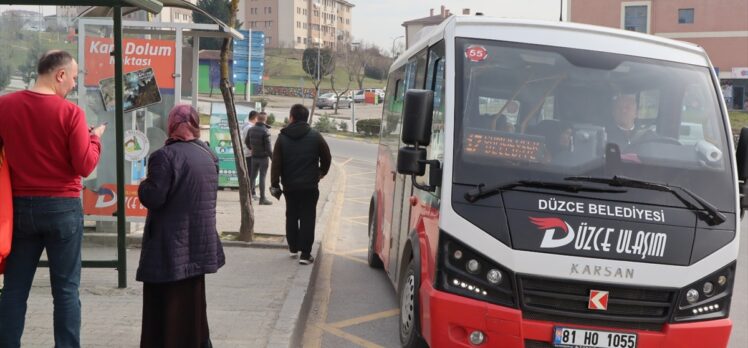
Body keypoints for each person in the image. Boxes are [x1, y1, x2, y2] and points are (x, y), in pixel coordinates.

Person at [0, 50, 104, 347]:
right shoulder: (71, 114)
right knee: (66, 291)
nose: (73, 84)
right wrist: (94, 137)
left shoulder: (5, 106)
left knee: (14, 289)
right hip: (62, 209)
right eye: (72, 77)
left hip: (19, 209)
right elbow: (85, 165)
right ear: (59, 75)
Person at [136, 104, 225, 348]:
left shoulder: (164, 156)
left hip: (169, 249)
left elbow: (154, 197)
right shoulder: (208, 155)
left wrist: (143, 185)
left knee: (165, 309)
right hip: (198, 245)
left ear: (172, 124)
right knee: (193, 308)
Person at [271, 104, 332, 264]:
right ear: (305, 118)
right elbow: (327, 157)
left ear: (291, 118)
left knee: (291, 215)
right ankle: (305, 254)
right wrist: (321, 172)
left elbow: (276, 163)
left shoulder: (282, 138)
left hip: (290, 186)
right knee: (308, 217)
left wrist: (274, 184)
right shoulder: (315, 136)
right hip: (310, 186)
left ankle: (292, 248)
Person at [246, 112, 273, 205]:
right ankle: (262, 199)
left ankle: (247, 198)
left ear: (257, 119)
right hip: (263, 158)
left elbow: (246, 142)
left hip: (254, 157)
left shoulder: (251, 129)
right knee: (262, 177)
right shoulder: (265, 131)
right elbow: (269, 149)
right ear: (265, 119)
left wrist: (251, 148)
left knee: (252, 177)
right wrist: (274, 159)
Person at [241, 111, 258, 199]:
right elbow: (248, 141)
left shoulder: (247, 126)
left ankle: (252, 192)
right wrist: (252, 149)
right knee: (252, 174)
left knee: (252, 174)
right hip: (250, 153)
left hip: (248, 152)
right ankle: (251, 193)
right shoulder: (249, 128)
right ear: (255, 118)